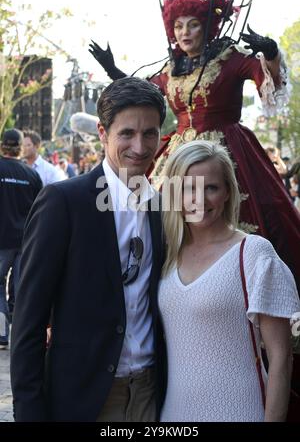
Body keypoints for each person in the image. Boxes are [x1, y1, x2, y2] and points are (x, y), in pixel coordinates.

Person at [89, 0, 300, 292]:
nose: (184, 33)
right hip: (175, 154)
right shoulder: (169, 70)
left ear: (207, 27)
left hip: (227, 149)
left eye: (192, 25)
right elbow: (141, 93)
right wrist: (113, 71)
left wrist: (271, 53)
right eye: (178, 26)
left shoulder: (230, 59)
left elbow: (267, 78)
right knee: (154, 213)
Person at [10, 77, 167, 422]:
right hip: (85, 397)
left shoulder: (162, 207)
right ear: (102, 132)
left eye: (150, 133)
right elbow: (28, 321)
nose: (140, 147)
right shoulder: (65, 202)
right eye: (127, 133)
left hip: (151, 394)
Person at [158, 140, 300, 422]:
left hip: (239, 411)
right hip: (173, 416)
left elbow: (282, 357)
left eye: (211, 187)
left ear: (227, 192)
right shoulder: (166, 253)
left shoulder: (254, 253)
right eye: (187, 188)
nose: (199, 199)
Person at [0, 129, 42, 350]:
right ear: (19, 148)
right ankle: (19, 334)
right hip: (25, 241)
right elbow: (40, 211)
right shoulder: (31, 175)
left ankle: (1, 335)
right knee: (21, 288)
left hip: (2, 241)